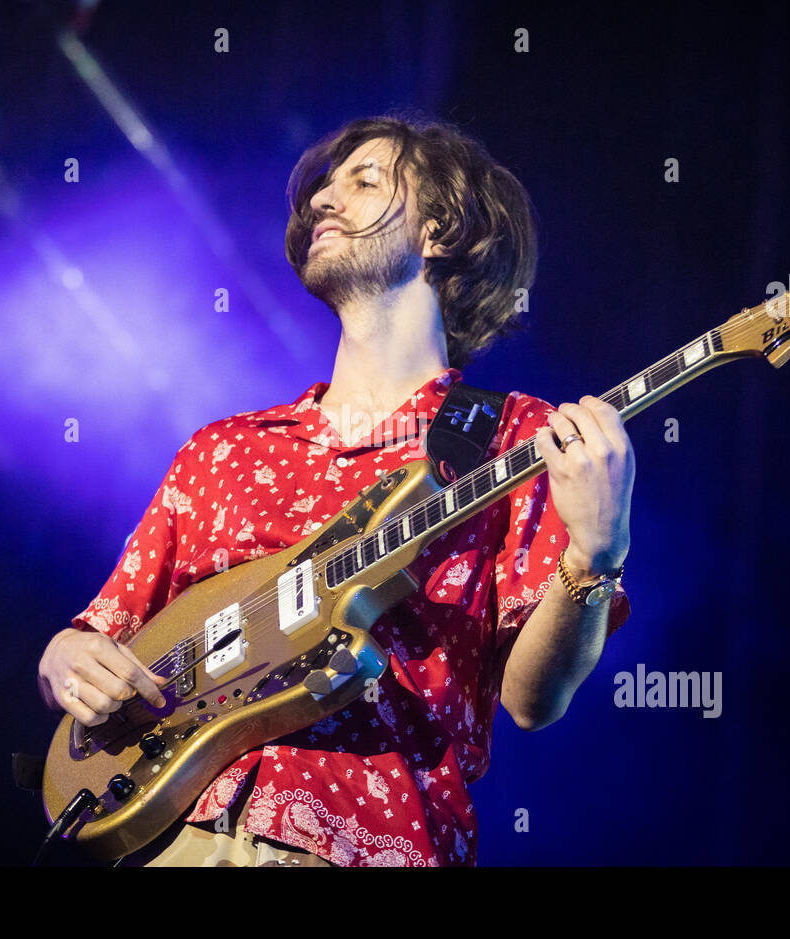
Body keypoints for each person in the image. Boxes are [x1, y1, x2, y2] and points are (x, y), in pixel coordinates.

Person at [37, 113, 635, 866]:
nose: (323, 199)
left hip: (367, 843)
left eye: (365, 181)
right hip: (174, 836)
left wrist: (597, 553)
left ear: (439, 230)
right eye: (323, 184)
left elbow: (530, 701)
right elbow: (103, 632)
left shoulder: (513, 437)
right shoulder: (222, 451)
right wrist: (63, 658)